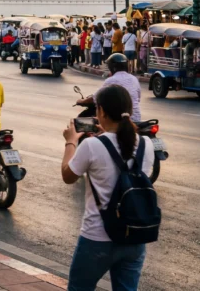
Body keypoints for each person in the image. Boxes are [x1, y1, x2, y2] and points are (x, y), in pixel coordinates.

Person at [62, 85, 153, 290]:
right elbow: (121, 149)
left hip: (97, 238)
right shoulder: (146, 144)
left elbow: (68, 176)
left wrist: (70, 142)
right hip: (135, 236)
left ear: (101, 111)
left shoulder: (91, 145)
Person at [79, 54, 142, 122]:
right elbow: (138, 98)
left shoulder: (111, 80)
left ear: (112, 67)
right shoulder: (134, 79)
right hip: (136, 118)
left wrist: (81, 101)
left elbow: (95, 98)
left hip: (119, 120)